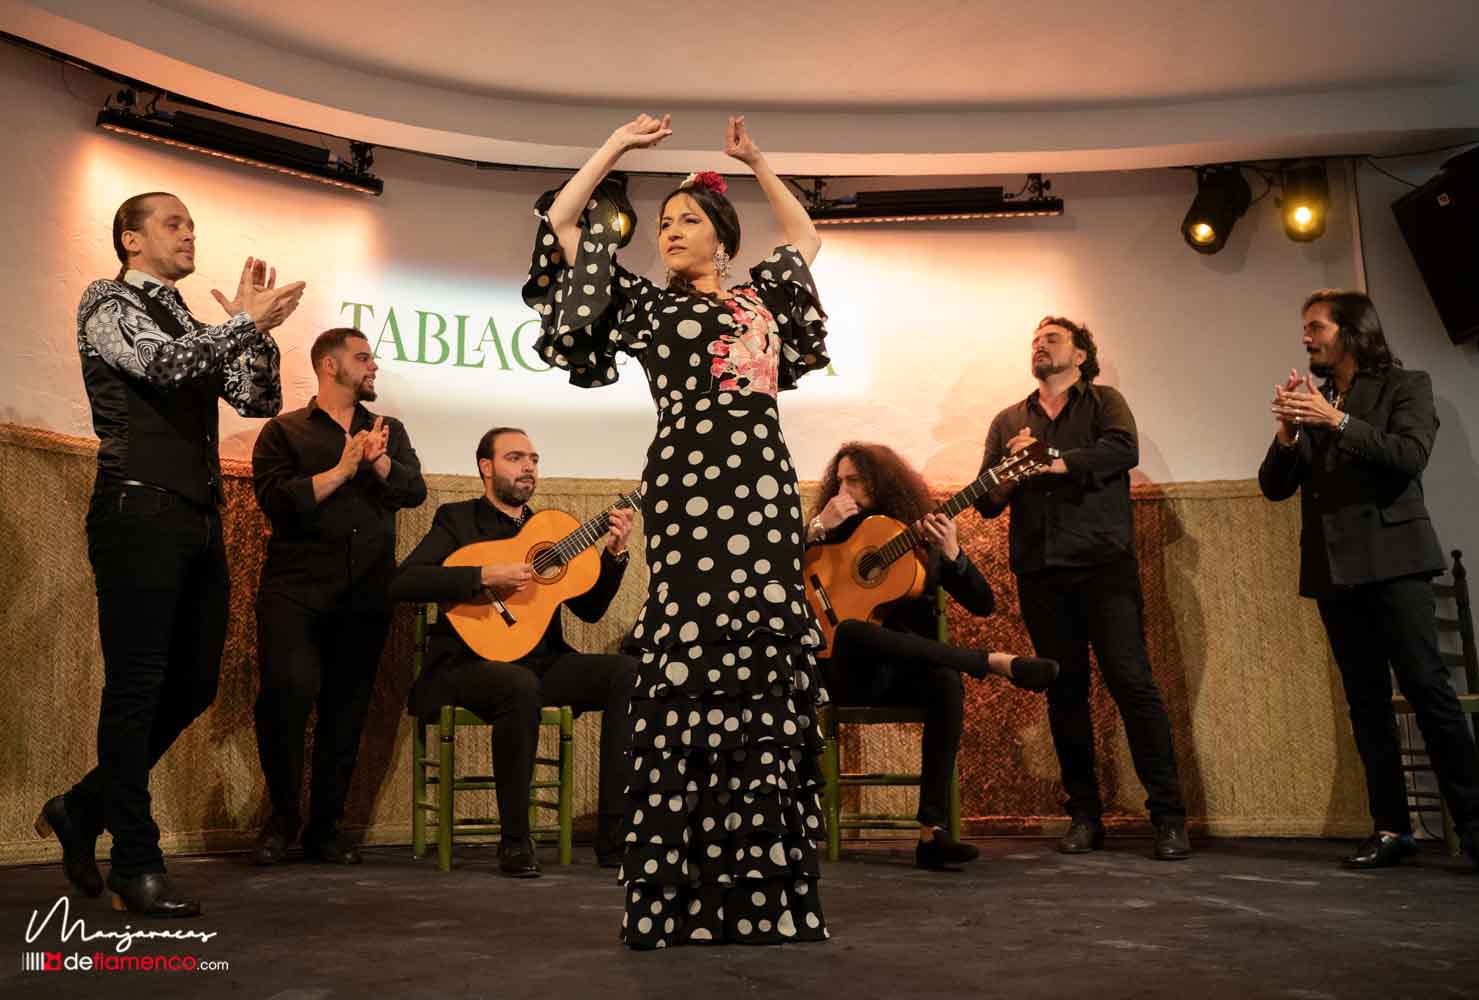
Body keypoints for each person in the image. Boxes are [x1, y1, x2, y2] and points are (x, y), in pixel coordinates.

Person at [522, 113, 831, 948]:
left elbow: (805, 235)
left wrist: (757, 161)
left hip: (764, 493)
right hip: (691, 495)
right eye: (663, 223)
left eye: (688, 218)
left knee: (760, 672)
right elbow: (562, 223)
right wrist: (615, 149)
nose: (670, 231)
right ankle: (680, 897)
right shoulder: (648, 307)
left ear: (723, 237)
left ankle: (762, 895)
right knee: (692, 670)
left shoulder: (763, 296)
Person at [36, 192, 303, 917]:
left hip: (198, 519)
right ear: (131, 239)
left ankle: (82, 806)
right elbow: (159, 365)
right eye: (174, 223)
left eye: (192, 225)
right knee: (137, 687)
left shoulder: (192, 320)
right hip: (137, 511)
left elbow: (257, 399)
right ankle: (135, 858)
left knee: (194, 684)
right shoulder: (107, 300)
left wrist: (256, 333)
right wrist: (241, 324)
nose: (190, 234)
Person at [1260, 289, 1479, 871]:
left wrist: (1336, 421)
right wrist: (1289, 431)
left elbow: (1408, 456)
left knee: (1428, 691)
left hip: (1394, 561)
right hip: (1335, 570)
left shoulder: (1405, 385)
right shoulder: (1319, 400)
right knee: (1365, 704)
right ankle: (1391, 827)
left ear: (1352, 331)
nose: (1306, 337)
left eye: (1316, 327)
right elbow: (1274, 487)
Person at [976, 316, 1192, 861]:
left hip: (1102, 567)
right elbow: (986, 500)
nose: (1039, 345)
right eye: (1034, 340)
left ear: (1080, 354)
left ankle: (1168, 817)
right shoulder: (1008, 420)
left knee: (1132, 684)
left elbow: (1122, 451)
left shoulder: (1104, 403)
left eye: (1052, 339)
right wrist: (1011, 470)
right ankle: (1085, 816)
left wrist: (1053, 462)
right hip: (1041, 571)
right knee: (1064, 692)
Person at [389, 427, 637, 877]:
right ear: (486, 467)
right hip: (468, 663)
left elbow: (591, 610)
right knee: (518, 686)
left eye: (534, 460)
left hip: (541, 661)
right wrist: (483, 575)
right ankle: (516, 842)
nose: (528, 467)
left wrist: (614, 556)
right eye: (516, 458)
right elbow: (404, 581)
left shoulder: (551, 531)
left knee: (629, 673)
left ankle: (615, 838)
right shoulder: (457, 520)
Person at [807, 443, 1059, 870]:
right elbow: (774, 574)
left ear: (882, 484)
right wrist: (816, 526)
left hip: (900, 676)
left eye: (856, 481)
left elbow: (983, 604)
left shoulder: (922, 540)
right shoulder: (829, 532)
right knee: (850, 629)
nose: (844, 490)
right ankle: (992, 662)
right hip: (846, 673)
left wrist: (954, 553)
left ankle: (931, 833)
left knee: (944, 679)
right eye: (840, 481)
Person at [250, 327, 427, 866]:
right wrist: (343, 470)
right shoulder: (284, 431)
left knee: (346, 713)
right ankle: (282, 818)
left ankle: (325, 828)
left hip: (365, 593)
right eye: (363, 357)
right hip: (295, 593)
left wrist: (378, 463)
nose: (373, 366)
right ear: (329, 366)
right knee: (287, 696)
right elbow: (276, 501)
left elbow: (413, 491)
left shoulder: (388, 431)